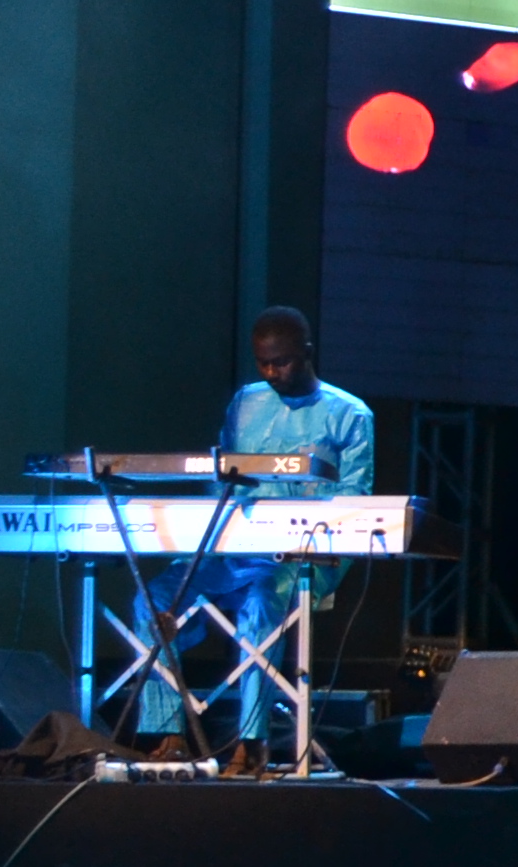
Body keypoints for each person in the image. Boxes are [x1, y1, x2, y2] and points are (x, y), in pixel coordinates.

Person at [145, 309, 373, 751]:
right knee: (152, 598)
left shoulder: (349, 413)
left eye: (282, 362)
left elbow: (353, 501)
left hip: (308, 553)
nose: (272, 372)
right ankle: (165, 734)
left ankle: (254, 743)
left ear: (307, 353)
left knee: (262, 599)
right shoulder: (246, 402)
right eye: (263, 363)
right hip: (236, 549)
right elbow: (221, 482)